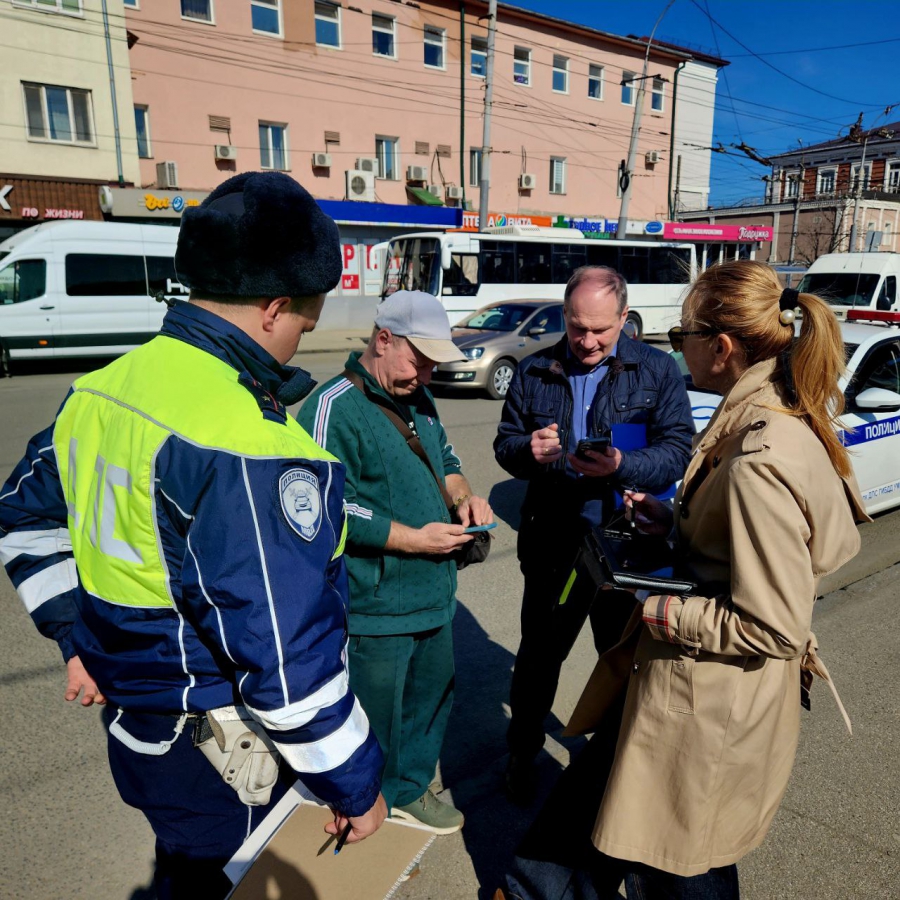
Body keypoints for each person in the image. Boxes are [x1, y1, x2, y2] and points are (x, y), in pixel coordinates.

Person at [0, 172, 386, 899]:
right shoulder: (246, 444)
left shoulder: (105, 388)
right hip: (228, 758)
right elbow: (285, 659)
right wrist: (355, 782)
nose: (304, 338)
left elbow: (23, 517)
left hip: (143, 740)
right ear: (274, 307)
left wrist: (74, 636)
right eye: (306, 320)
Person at [501, 259, 869, 899]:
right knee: (610, 773)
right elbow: (748, 539)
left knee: (678, 849)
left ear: (720, 347)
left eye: (682, 336)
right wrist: (674, 521)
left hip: (704, 682)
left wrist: (657, 613)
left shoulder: (758, 450)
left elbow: (773, 623)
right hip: (587, 570)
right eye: (575, 326)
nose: (678, 350)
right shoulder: (768, 418)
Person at [493, 265, 694, 802]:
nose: (586, 341)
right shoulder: (535, 369)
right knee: (539, 657)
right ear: (564, 315)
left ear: (624, 319)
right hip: (555, 542)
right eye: (577, 326)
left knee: (622, 661)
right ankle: (522, 752)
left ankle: (617, 765)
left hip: (624, 545)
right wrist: (527, 453)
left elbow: (679, 449)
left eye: (600, 330)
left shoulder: (656, 370)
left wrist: (624, 464)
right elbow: (505, 445)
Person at [298, 289, 493, 834]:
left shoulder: (418, 398)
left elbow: (448, 462)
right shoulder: (331, 405)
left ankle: (407, 790)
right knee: (373, 717)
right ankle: (364, 803)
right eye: (418, 360)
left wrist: (464, 498)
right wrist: (413, 540)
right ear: (384, 339)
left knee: (429, 703)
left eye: (433, 363)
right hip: (375, 602)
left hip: (434, 592)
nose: (425, 374)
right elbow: (322, 508)